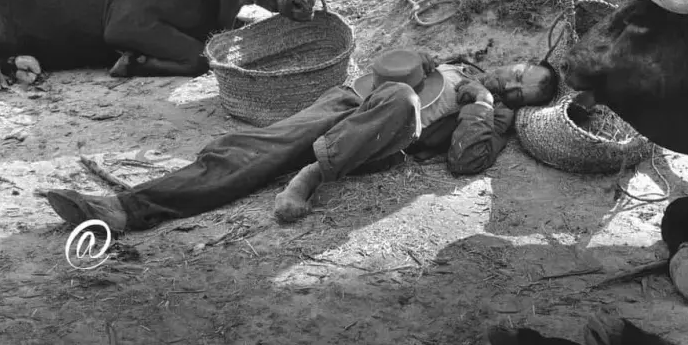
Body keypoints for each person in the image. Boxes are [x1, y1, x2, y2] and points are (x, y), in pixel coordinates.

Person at [46, 49, 556, 231]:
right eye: (517, 73)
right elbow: (395, 69)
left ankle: (311, 174)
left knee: (401, 99)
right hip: (350, 101)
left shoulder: (495, 116)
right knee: (259, 148)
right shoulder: (463, 63)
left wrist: (480, 105)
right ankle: (125, 208)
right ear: (517, 60)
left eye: (519, 91)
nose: (509, 84)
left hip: (375, 137)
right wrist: (421, 60)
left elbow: (466, 162)